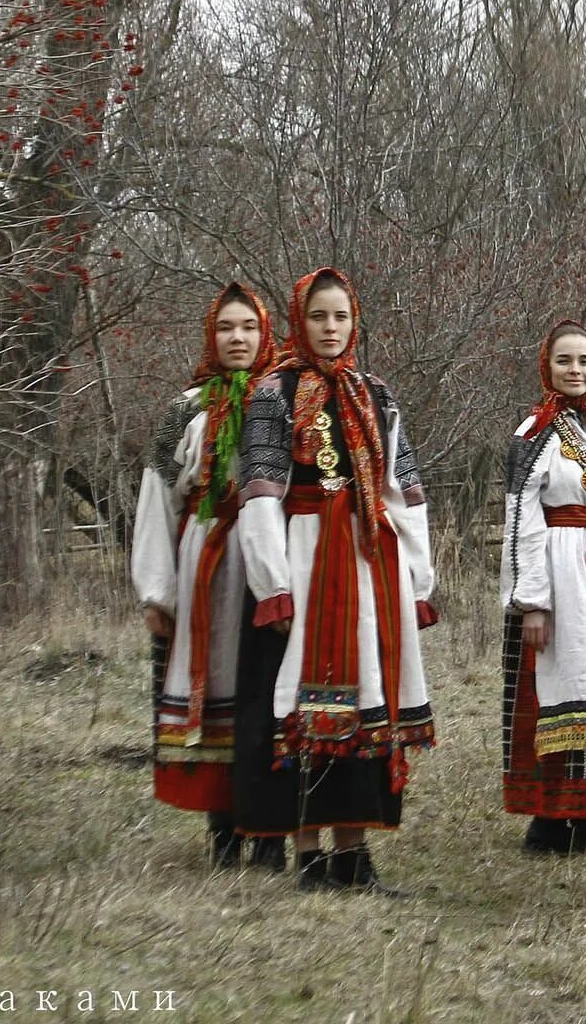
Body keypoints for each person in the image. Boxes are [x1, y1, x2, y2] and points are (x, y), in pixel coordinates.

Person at [233, 268, 435, 892]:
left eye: (340, 317)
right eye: (318, 317)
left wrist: (418, 578)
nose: (329, 328)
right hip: (305, 560)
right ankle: (309, 855)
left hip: (369, 561)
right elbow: (259, 495)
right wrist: (274, 585)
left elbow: (403, 491)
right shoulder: (273, 393)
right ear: (301, 319)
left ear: (355, 322)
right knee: (300, 699)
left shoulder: (376, 393)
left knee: (370, 697)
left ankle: (355, 855)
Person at [130, 282, 280, 868]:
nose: (237, 338)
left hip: (268, 557)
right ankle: (223, 827)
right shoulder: (185, 409)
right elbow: (156, 499)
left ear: (264, 333)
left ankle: (267, 827)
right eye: (226, 329)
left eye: (247, 328)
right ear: (211, 337)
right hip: (205, 557)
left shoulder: (283, 400)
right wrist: (155, 589)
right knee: (215, 681)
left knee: (263, 684)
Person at [500, 321, 586, 854]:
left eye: (584, 361)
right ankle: (555, 817)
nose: (575, 371)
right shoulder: (533, 433)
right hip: (559, 573)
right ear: (546, 367)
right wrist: (532, 600)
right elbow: (520, 519)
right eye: (564, 361)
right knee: (562, 684)